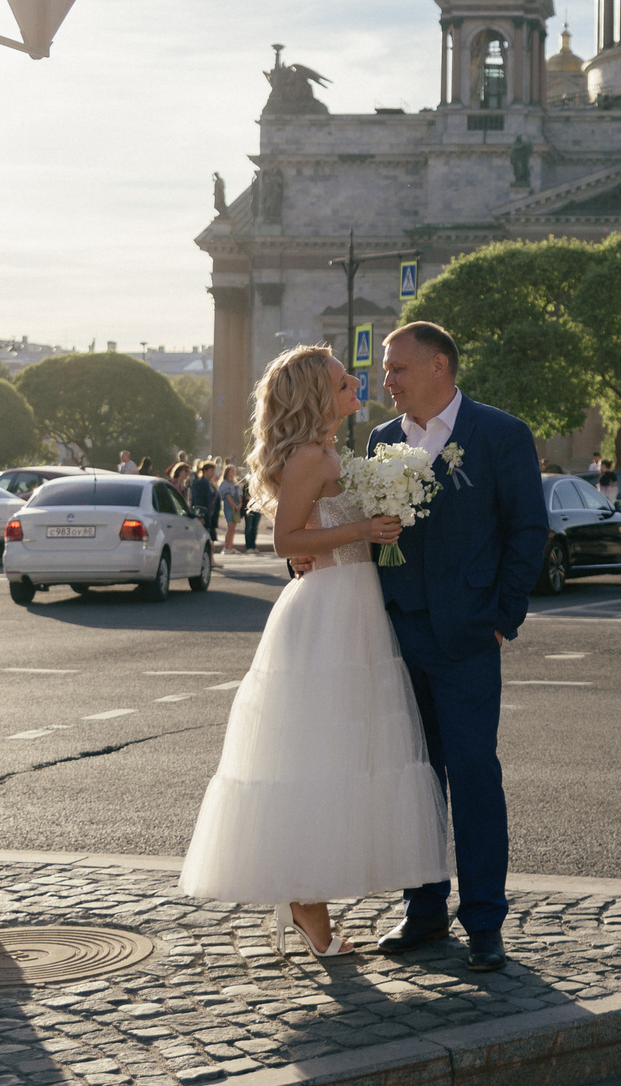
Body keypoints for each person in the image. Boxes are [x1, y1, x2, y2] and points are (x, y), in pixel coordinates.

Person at [178, 345, 448, 958]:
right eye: (341, 379)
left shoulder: (330, 452)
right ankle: (305, 901)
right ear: (315, 396)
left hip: (354, 607)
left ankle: (311, 899)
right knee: (316, 759)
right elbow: (286, 540)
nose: (356, 382)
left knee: (341, 756)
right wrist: (363, 529)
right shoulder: (307, 456)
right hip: (327, 611)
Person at [366, 321, 547, 972]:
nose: (386, 379)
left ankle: (486, 920)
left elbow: (528, 531)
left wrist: (502, 617)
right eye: (387, 369)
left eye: (397, 368)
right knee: (415, 778)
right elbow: (385, 537)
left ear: (439, 365)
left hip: (469, 638)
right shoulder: (383, 440)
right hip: (402, 635)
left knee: (473, 777)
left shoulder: (501, 434)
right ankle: (424, 908)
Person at [188, 459, 219, 545]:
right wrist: (200, 515)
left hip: (210, 515)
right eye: (211, 470)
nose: (213, 473)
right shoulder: (200, 483)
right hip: (204, 517)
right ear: (205, 470)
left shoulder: (210, 483)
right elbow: (198, 500)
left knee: (210, 540)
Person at [218, 464, 248, 553]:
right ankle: (226, 547)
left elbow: (239, 493)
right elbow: (227, 496)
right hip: (229, 507)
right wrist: (234, 505)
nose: (233, 472)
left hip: (236, 507)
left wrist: (240, 503)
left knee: (233, 528)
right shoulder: (224, 484)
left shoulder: (235, 483)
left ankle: (230, 547)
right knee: (230, 527)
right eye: (231, 470)